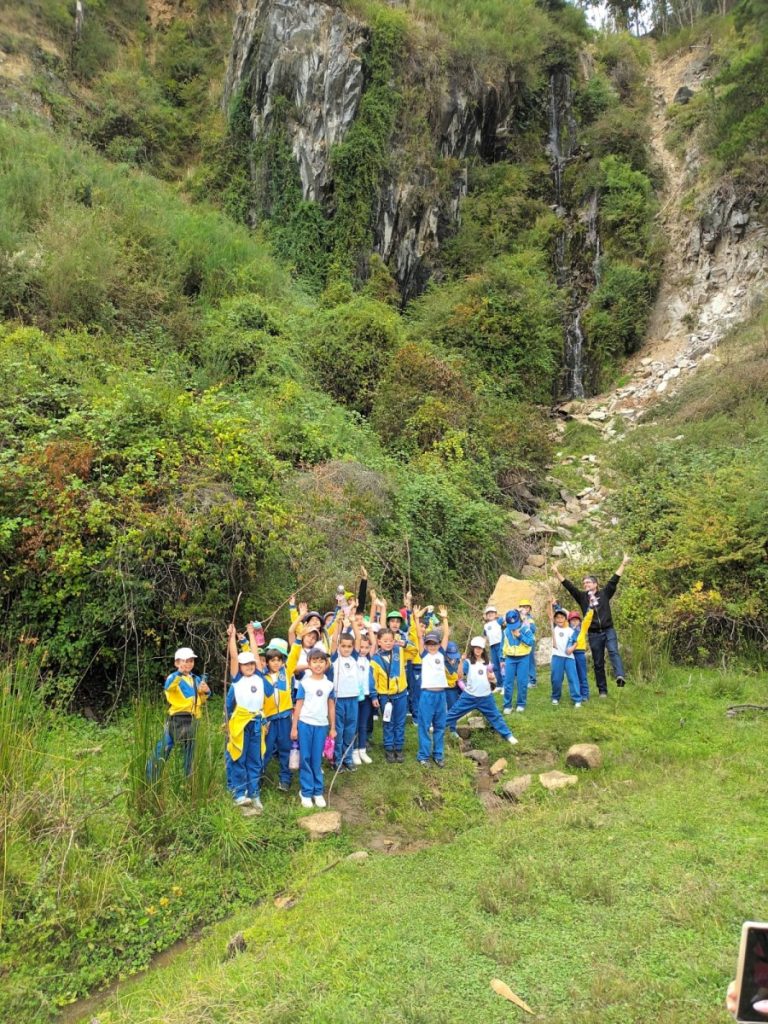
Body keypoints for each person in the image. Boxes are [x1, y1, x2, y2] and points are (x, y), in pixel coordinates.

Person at [553, 555, 630, 696]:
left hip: (608, 630)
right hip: (594, 633)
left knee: (613, 651)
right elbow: (569, 586)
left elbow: (614, 580)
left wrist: (623, 564)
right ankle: (602, 691)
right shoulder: (582, 597)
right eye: (584, 583)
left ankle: (620, 676)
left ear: (595, 584)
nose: (585, 585)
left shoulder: (604, 593)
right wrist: (557, 573)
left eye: (588, 582)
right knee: (598, 662)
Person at [147, 646, 211, 780]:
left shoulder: (195, 679)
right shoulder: (173, 677)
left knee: (190, 750)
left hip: (193, 719)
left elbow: (201, 699)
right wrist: (179, 674)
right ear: (177, 663)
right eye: (185, 661)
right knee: (165, 746)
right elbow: (169, 688)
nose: (188, 664)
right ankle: (150, 776)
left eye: (191, 661)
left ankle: (189, 779)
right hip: (176, 719)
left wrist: (205, 691)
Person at [446, 637, 518, 745]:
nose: (478, 650)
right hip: (469, 696)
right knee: (453, 713)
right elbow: (459, 676)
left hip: (486, 697)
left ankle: (508, 735)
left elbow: (493, 680)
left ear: (483, 649)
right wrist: (461, 661)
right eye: (476, 647)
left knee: (495, 716)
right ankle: (437, 727)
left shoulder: (487, 663)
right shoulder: (468, 662)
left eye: (480, 648)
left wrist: (492, 677)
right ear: (473, 648)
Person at [225, 624, 265, 810]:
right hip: (241, 722)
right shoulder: (237, 679)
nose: (249, 666)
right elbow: (234, 656)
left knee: (255, 759)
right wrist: (232, 637)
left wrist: (250, 634)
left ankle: (254, 793)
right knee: (238, 757)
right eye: (245, 664)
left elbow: (255, 654)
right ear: (239, 667)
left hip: (256, 723)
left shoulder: (259, 676)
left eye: (251, 664)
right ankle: (240, 793)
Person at [290, 648, 336, 809]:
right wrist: (294, 727)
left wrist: (332, 727)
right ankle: (306, 791)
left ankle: (318, 791)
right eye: (314, 661)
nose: (318, 664)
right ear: (309, 664)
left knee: (317, 758)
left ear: (326, 664)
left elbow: (331, 707)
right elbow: (298, 705)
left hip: (321, 725)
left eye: (321, 661)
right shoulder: (304, 683)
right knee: (306, 758)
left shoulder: (329, 685)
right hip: (305, 724)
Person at [370, 625, 415, 763]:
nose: (388, 643)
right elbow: (372, 680)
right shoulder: (375, 659)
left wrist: (405, 643)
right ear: (379, 642)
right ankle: (389, 748)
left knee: (400, 722)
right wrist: (374, 695)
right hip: (386, 697)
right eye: (385, 641)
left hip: (401, 694)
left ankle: (398, 747)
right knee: (388, 722)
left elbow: (414, 651)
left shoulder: (399, 651)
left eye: (391, 640)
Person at [414, 605, 450, 768]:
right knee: (424, 725)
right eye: (429, 643)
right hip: (427, 695)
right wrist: (416, 619)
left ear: (438, 644)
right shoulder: (424, 655)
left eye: (434, 643)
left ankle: (438, 754)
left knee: (440, 726)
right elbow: (419, 636)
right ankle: (423, 756)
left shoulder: (441, 653)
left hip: (441, 695)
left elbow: (446, 635)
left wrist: (445, 618)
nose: (432, 646)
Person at [330, 608, 362, 773]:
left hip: (353, 698)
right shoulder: (335, 658)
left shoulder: (354, 657)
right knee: (339, 730)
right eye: (343, 646)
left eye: (349, 646)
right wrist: (338, 623)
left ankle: (347, 759)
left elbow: (358, 638)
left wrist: (353, 621)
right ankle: (337, 760)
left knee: (350, 730)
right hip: (338, 699)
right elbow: (334, 640)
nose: (347, 649)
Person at [261, 638, 293, 793]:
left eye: (278, 660)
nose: (275, 663)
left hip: (285, 718)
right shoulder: (262, 677)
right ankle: (259, 776)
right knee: (265, 749)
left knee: (285, 748)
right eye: (272, 660)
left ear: (283, 661)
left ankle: (285, 779)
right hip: (269, 720)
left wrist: (298, 638)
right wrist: (246, 641)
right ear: (267, 662)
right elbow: (254, 657)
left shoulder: (286, 673)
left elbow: (295, 653)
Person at [548, 603, 581, 708]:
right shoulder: (554, 628)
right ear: (554, 620)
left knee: (572, 678)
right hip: (557, 657)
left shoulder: (571, 631)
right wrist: (549, 603)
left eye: (562, 617)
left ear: (566, 619)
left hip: (569, 658)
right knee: (556, 679)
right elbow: (549, 613)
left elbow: (576, 642)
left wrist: (572, 648)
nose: (559, 619)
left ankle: (577, 699)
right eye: (557, 618)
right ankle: (555, 697)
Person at [501, 609, 535, 714]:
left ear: (519, 620)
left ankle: (521, 704)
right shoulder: (506, 631)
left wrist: (520, 636)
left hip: (523, 658)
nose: (513, 628)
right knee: (508, 682)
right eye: (511, 625)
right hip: (510, 659)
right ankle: (507, 705)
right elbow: (503, 645)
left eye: (515, 625)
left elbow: (531, 642)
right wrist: (502, 659)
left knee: (522, 682)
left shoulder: (525, 629)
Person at [353, 629, 378, 765]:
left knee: (363, 725)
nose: (363, 650)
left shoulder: (369, 659)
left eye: (366, 647)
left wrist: (369, 627)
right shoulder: (353, 658)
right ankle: (354, 751)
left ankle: (362, 750)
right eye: (361, 647)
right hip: (354, 696)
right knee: (354, 725)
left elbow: (374, 643)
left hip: (367, 697)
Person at [566, 609, 593, 703]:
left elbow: (588, 619)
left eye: (576, 620)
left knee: (582, 674)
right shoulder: (568, 630)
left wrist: (591, 608)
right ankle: (576, 693)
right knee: (573, 675)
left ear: (579, 621)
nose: (574, 622)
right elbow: (560, 618)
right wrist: (556, 606)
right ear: (569, 621)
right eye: (572, 620)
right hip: (571, 654)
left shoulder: (582, 628)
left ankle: (585, 694)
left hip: (580, 653)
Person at [482, 605, 503, 689]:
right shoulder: (485, 626)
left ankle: (505, 685)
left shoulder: (498, 621)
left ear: (495, 614)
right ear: (486, 615)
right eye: (488, 613)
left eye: (492, 612)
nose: (490, 614)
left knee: (502, 664)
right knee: (495, 666)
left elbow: (506, 617)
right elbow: (485, 636)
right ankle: (499, 685)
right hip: (492, 646)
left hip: (500, 644)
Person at [519, 602, 537, 687]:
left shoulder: (530, 618)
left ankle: (532, 680)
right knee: (523, 661)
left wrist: (525, 620)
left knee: (530, 661)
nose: (525, 609)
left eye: (527, 607)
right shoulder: (517, 618)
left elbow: (533, 629)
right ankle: (525, 680)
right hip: (521, 641)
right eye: (523, 607)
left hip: (529, 641)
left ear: (530, 609)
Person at [444, 640, 461, 710]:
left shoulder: (457, 659)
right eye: (450, 657)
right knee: (451, 708)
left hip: (457, 685)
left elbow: (460, 675)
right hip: (447, 688)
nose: (452, 659)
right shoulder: (441, 662)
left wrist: (461, 662)